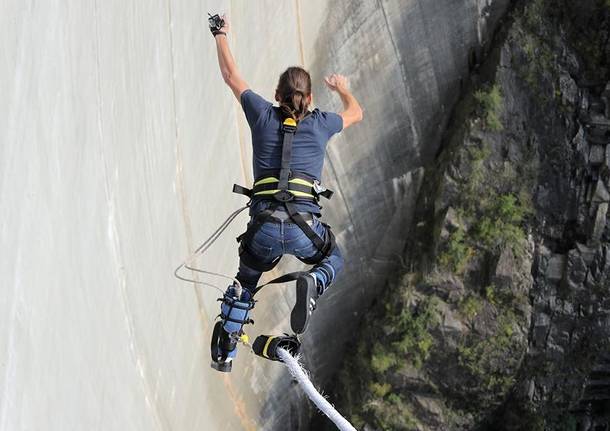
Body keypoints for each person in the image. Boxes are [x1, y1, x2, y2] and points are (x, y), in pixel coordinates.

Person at [210, 14, 363, 372]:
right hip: (303, 227)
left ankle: (226, 353)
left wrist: (220, 34)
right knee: (334, 259)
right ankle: (313, 281)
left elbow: (232, 77)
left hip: (262, 226)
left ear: (277, 96)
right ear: (309, 99)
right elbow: (356, 112)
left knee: (247, 280)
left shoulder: (261, 114)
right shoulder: (323, 122)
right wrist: (342, 88)